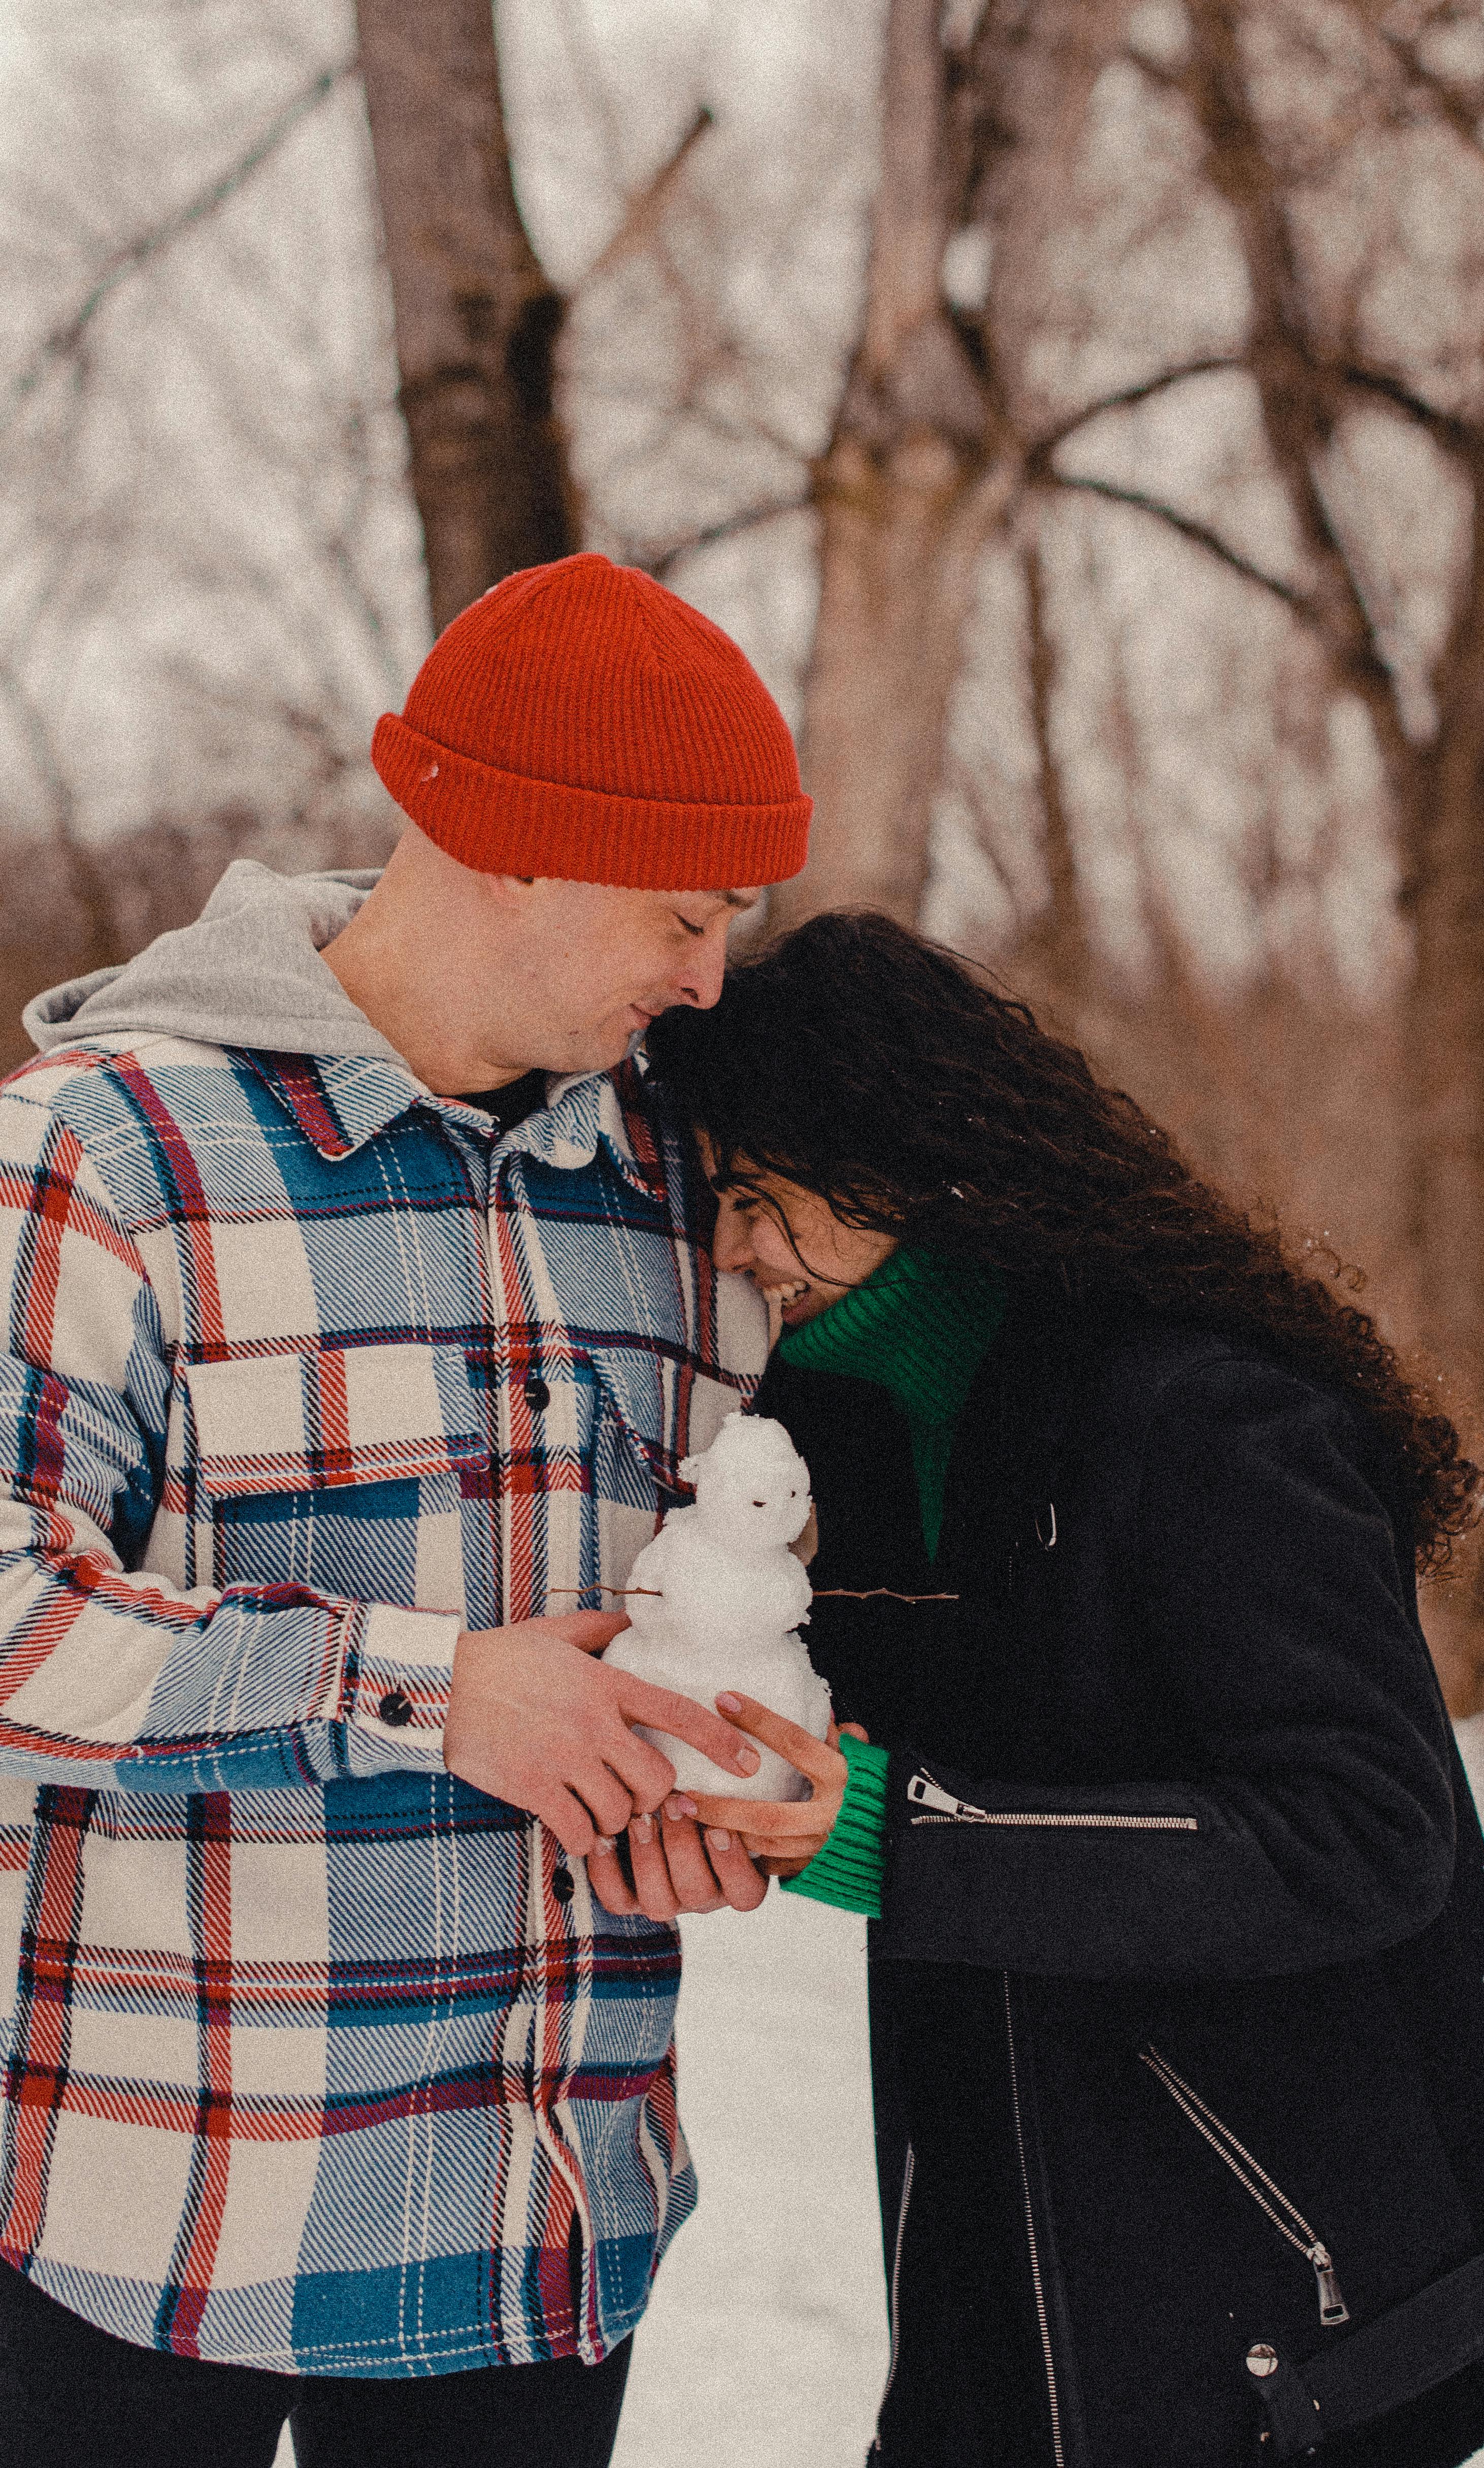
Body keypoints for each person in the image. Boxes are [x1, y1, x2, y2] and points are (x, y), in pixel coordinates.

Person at [0, 553, 810, 2466]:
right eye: (683, 913)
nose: (709, 974)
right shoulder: (102, 1154)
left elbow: (745, 1582)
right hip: (151, 2224)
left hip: (538, 2239)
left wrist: (746, 1761)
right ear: (514, 846)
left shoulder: (688, 1200)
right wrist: (436, 1691)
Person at [642, 910, 1484, 2468]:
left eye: (760, 1193)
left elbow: (1364, 1829)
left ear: (902, 1150)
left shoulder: (1204, 1415)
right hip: (1005, 2264)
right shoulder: (856, 1439)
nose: (734, 1249)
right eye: (714, 1201)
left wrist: (896, 1840)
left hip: (1278, 2293)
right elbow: (916, 1780)